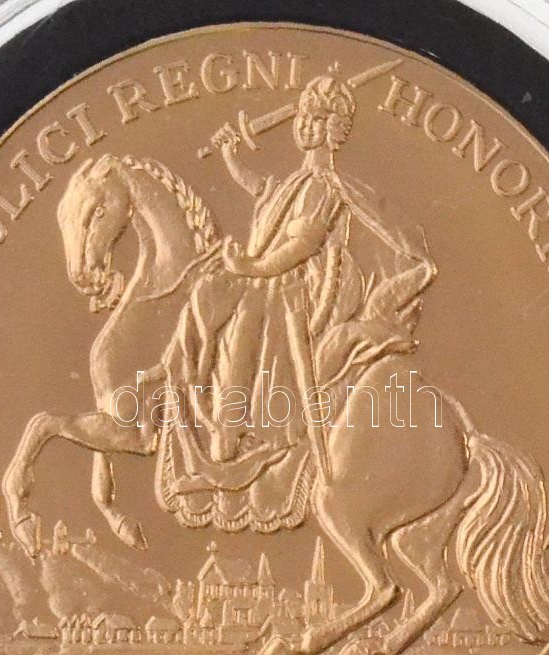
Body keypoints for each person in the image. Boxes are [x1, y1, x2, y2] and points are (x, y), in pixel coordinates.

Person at [160, 74, 430, 531]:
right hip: (269, 279)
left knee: (247, 307)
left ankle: (231, 426)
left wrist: (253, 267)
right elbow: (262, 191)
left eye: (315, 118)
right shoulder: (295, 181)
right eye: (303, 115)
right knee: (209, 288)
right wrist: (230, 156)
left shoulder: (324, 186)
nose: (303, 124)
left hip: (301, 291)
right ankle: (186, 376)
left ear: (331, 130)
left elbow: (301, 246)